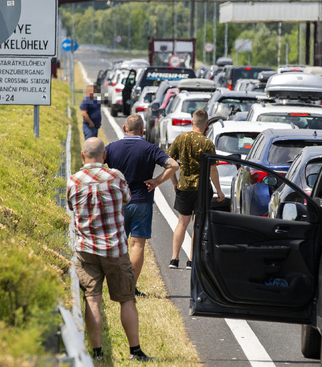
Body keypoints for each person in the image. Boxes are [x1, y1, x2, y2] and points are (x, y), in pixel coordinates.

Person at [67, 137, 154, 362]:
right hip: (115, 248)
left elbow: (70, 206)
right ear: (104, 155)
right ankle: (135, 350)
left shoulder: (73, 181)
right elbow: (126, 199)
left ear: (82, 155)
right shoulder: (115, 176)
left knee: (92, 298)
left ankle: (97, 352)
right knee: (126, 298)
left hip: (86, 249)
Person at [105, 115, 180, 296]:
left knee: (117, 244)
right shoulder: (149, 148)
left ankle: (114, 285)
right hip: (141, 202)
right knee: (137, 245)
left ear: (124, 128)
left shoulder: (112, 148)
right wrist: (156, 181)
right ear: (142, 130)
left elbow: (95, 164)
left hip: (118, 203)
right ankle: (130, 287)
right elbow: (174, 165)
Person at [166, 109, 225, 269]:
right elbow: (213, 169)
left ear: (192, 121)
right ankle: (191, 261)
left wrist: (174, 182)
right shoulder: (207, 143)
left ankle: (174, 259)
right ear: (206, 125)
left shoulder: (180, 139)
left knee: (181, 223)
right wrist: (219, 191)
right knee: (197, 224)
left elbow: (169, 162)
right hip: (202, 189)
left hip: (184, 187)